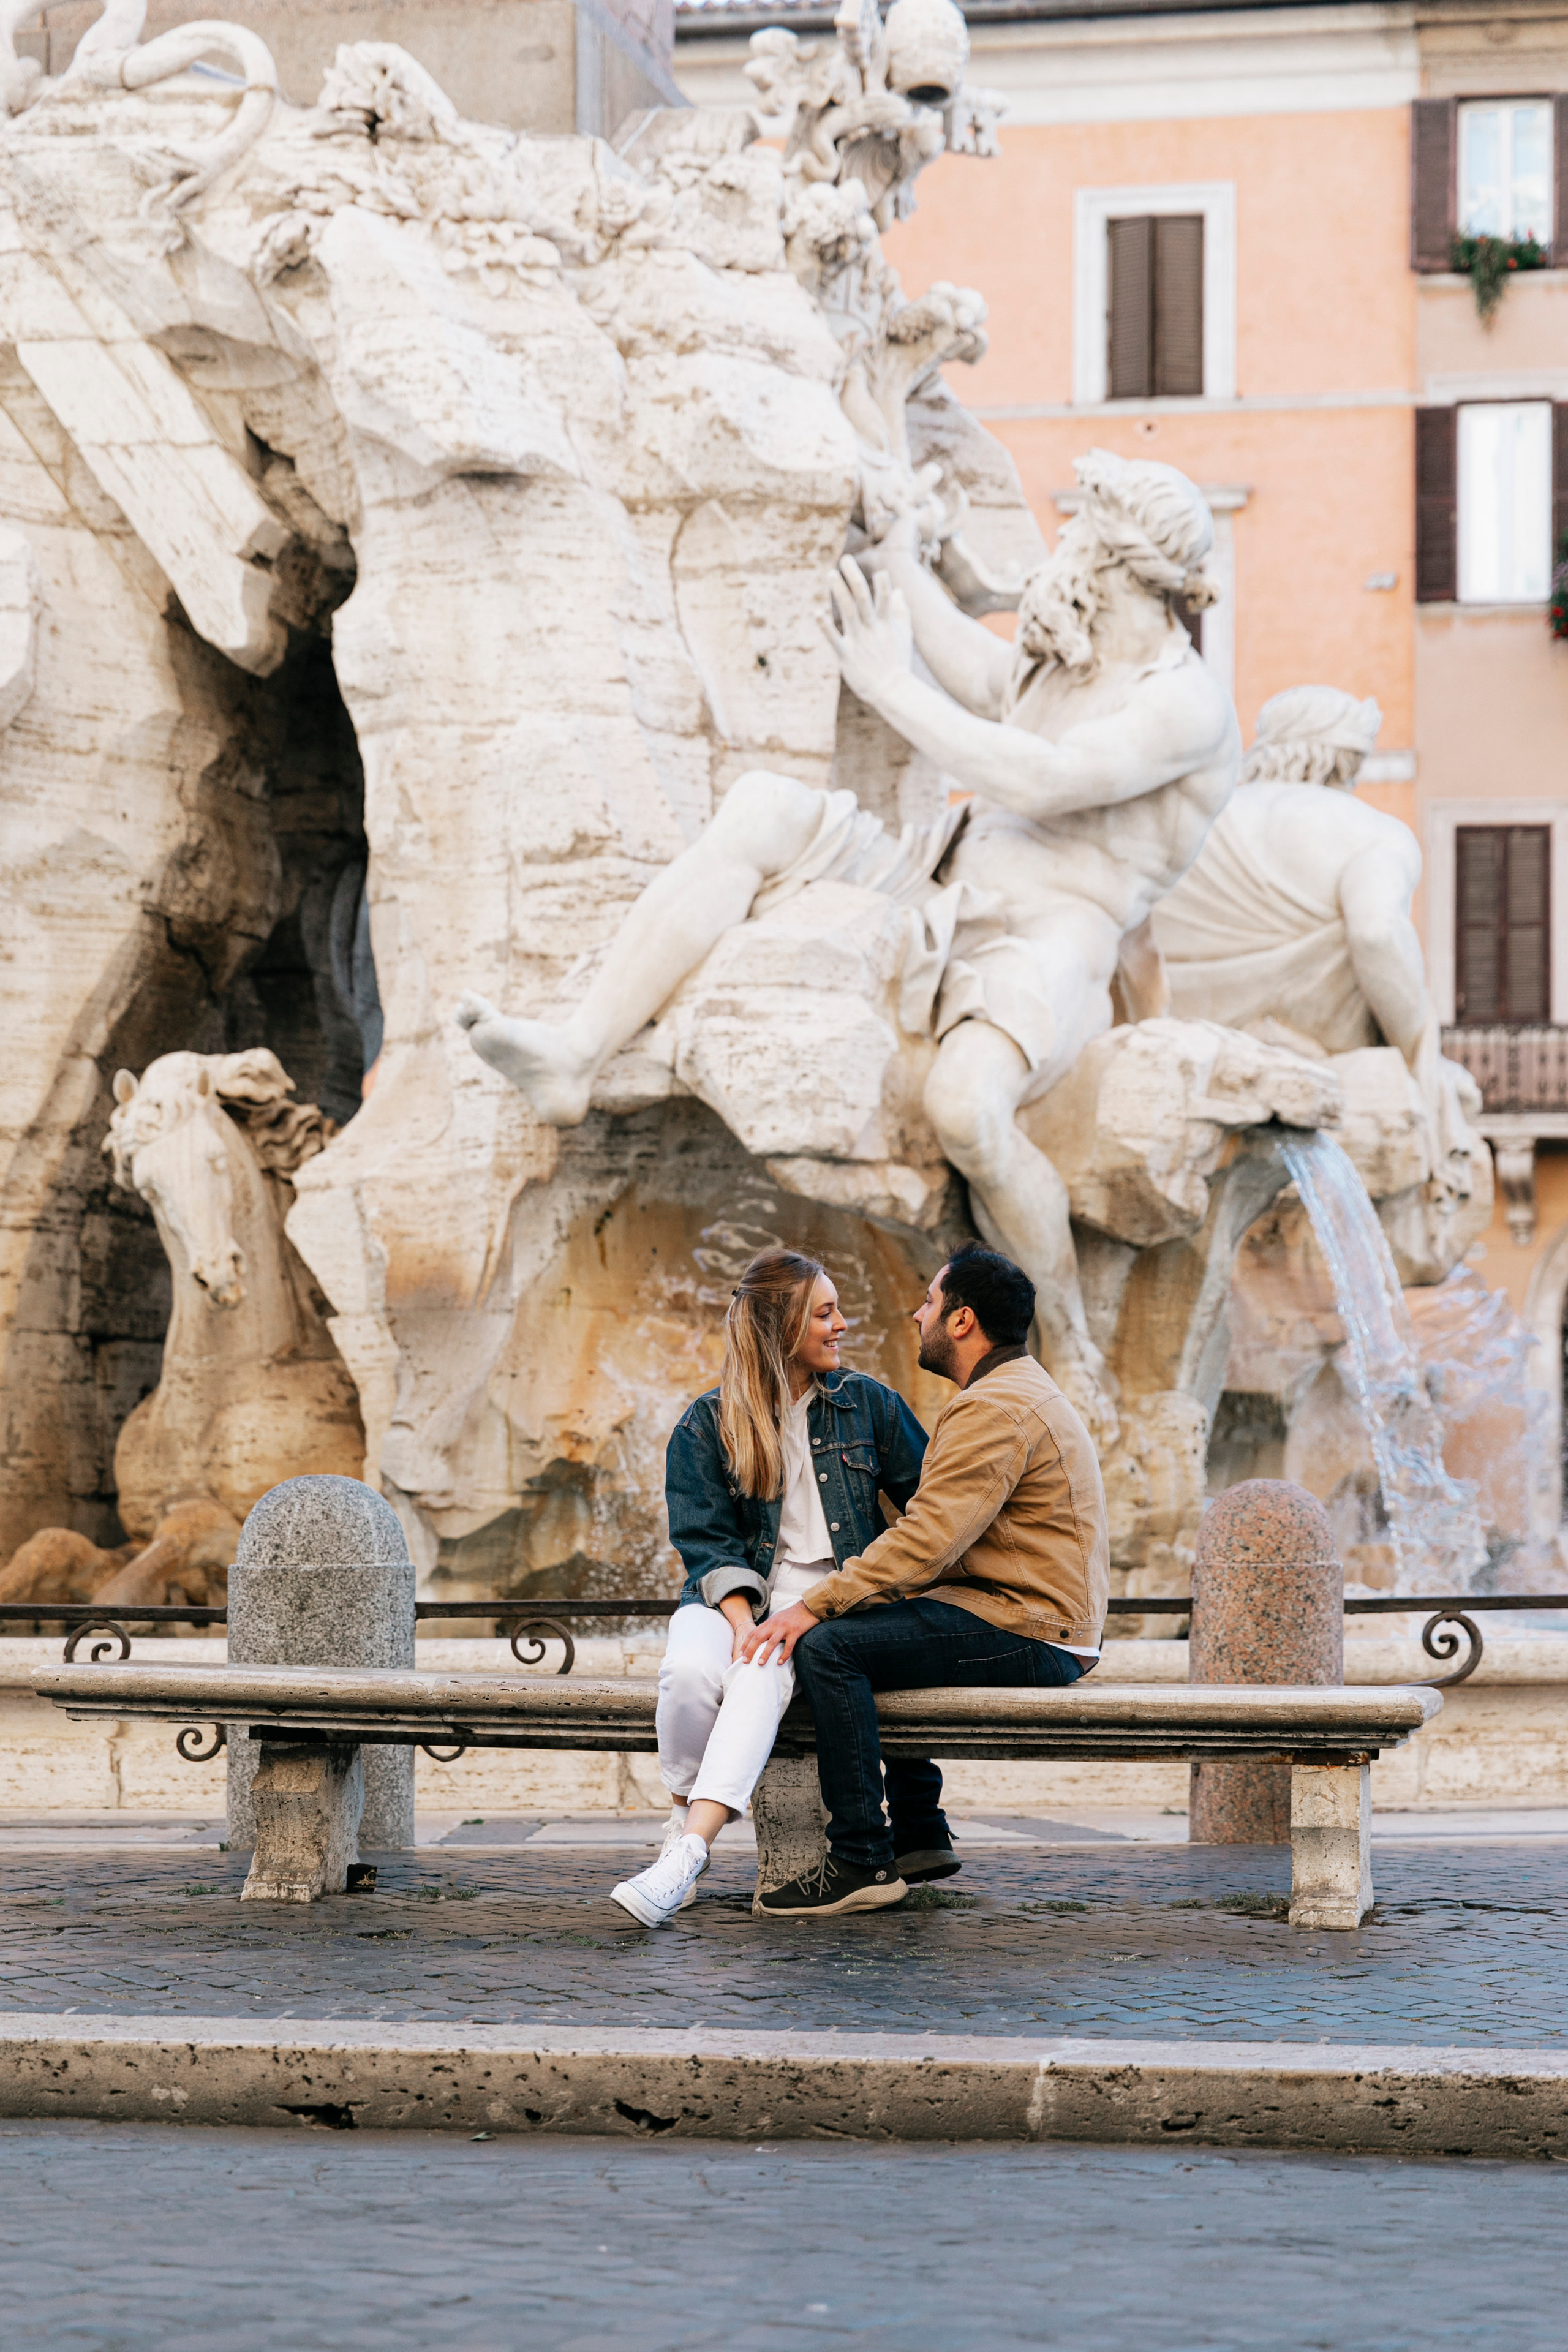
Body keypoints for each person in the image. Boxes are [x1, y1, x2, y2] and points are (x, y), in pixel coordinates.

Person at [456, 451, 1240, 1447]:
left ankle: (1068, 1347)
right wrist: (902, 550)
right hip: (938, 881)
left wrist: (882, 678)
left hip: (1053, 939)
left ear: (1123, 563)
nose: (1063, 545)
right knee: (765, 811)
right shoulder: (1071, 658)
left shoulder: (1185, 704)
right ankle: (576, 1050)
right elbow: (973, 668)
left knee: (967, 1106)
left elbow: (1040, 777)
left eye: (1081, 532)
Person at [737, 1242, 1109, 1917]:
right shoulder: (1011, 1389)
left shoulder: (992, 1407)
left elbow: (925, 1542)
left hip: (1032, 1628)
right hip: (1027, 1615)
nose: (916, 1315)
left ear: (962, 1321)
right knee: (880, 1632)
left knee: (832, 1647)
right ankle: (917, 1834)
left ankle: (860, 1860)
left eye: (930, 1302)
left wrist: (810, 1608)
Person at [610, 1246, 932, 1927]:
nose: (841, 1324)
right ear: (781, 1327)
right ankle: (677, 1821)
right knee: (689, 1675)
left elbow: (931, 1506)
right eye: (825, 1312)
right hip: (731, 1594)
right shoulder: (710, 1421)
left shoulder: (869, 1405)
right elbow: (705, 1544)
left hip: (828, 1604)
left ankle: (687, 1858)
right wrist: (739, 1622)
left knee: (757, 1676)